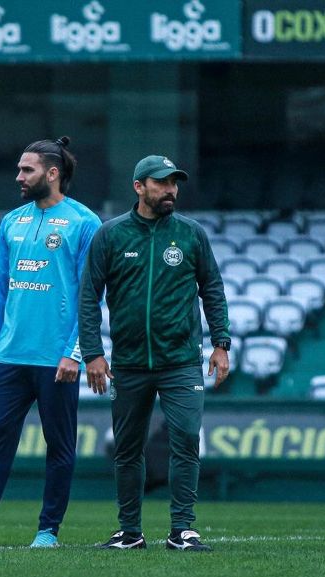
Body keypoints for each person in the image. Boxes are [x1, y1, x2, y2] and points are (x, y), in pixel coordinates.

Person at [0, 137, 102, 549]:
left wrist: (75, 352)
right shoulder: (11, 221)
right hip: (10, 356)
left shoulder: (84, 223)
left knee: (60, 447)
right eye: (19, 169)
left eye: (26, 169)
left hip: (56, 359)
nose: (19, 176)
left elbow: (91, 294)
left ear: (52, 173)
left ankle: (48, 531)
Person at [78, 154, 231, 552]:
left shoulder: (191, 234)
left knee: (185, 438)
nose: (171, 190)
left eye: (174, 183)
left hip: (180, 360)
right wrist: (93, 354)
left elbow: (211, 288)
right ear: (139, 187)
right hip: (128, 363)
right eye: (162, 183)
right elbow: (88, 297)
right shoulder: (111, 235)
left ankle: (182, 529)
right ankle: (130, 532)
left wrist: (221, 343)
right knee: (127, 448)